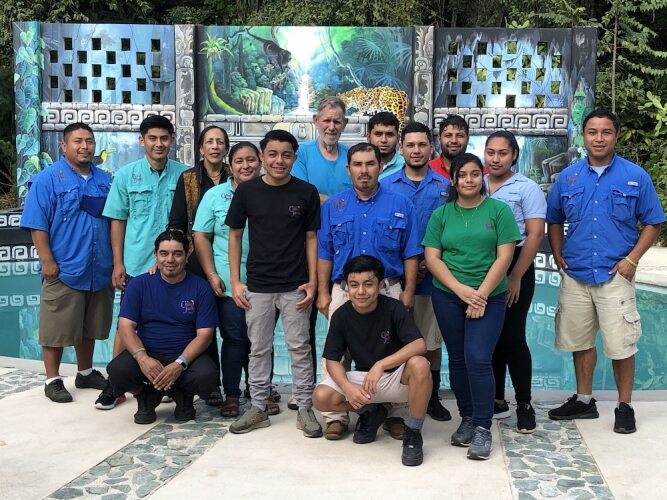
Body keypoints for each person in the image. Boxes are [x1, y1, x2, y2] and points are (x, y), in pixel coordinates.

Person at [546, 109, 665, 434]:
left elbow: (653, 222)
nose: (599, 138)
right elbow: (554, 218)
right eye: (592, 132)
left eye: (606, 132)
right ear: (583, 136)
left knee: (621, 344)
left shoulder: (635, 176)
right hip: (577, 274)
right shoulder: (568, 177)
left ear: (615, 135)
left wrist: (632, 260)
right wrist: (557, 253)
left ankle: (624, 406)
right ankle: (584, 400)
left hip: (616, 274)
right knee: (581, 341)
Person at [317, 142, 421, 440]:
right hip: (344, 290)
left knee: (396, 350)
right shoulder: (333, 206)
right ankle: (338, 415)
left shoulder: (401, 204)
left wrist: (408, 291)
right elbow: (325, 251)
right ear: (348, 169)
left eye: (370, 164)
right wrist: (323, 292)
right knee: (336, 351)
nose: (364, 170)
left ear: (380, 166)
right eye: (358, 164)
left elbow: (410, 252)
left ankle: (396, 413)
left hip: (389, 289)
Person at [423, 153, 520, 460]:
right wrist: (461, 290)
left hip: (489, 296)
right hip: (449, 294)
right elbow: (432, 258)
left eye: (475, 174)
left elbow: (504, 257)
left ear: (483, 177)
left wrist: (480, 295)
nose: (469, 180)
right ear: (453, 180)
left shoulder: (499, 211)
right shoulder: (441, 214)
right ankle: (467, 417)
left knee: (478, 358)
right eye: (462, 174)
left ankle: (482, 426)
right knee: (458, 359)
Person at [226, 130, 322, 437]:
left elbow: (311, 238)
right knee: (258, 349)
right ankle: (257, 407)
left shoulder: (306, 192)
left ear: (294, 158)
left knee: (300, 348)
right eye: (272, 154)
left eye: (286, 155)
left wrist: (313, 281)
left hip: (296, 285)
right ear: (262, 157)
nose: (279, 161)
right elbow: (235, 235)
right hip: (258, 285)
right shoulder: (247, 191)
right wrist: (235, 281)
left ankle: (305, 407)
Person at [96, 115, 188, 409]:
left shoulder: (185, 175)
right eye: (152, 138)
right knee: (127, 323)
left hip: (176, 265)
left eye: (164, 138)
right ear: (142, 140)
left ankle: (173, 384)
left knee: (178, 323)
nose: (159, 144)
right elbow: (118, 221)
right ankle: (114, 386)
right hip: (137, 264)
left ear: (172, 140)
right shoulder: (126, 176)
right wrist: (118, 263)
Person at [21, 122, 114, 402]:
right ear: (64, 146)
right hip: (64, 267)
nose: (85, 146)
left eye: (89, 141)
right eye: (78, 141)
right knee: (56, 326)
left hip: (98, 267)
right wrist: (47, 259)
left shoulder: (104, 180)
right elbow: (37, 222)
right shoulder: (47, 179)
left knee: (90, 324)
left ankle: (85, 373)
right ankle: (53, 379)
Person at [313, 256, 431, 467]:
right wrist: (347, 387)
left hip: (396, 379)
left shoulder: (394, 308)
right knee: (321, 397)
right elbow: (332, 360)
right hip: (365, 382)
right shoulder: (341, 315)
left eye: (368, 284)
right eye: (354, 285)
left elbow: (419, 345)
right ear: (346, 286)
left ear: (380, 284)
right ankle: (370, 412)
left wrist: (381, 364)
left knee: (420, 364)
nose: (361, 291)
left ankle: (413, 433)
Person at [193, 141, 281, 417]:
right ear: (230, 165)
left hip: (267, 281)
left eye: (251, 160)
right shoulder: (215, 196)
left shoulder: (272, 192)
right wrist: (211, 274)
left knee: (262, 340)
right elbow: (201, 235)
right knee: (234, 338)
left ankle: (260, 391)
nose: (246, 166)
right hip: (229, 283)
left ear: (261, 161)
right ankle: (231, 393)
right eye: (239, 161)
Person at [106, 230, 219, 424]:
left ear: (187, 255)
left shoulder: (201, 288)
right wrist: (142, 358)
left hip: (184, 356)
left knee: (208, 376)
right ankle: (144, 395)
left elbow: (205, 335)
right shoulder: (139, 285)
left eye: (177, 253)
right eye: (164, 253)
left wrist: (179, 363)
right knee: (116, 371)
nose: (170, 260)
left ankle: (183, 395)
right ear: (155, 255)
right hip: (149, 352)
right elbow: (125, 327)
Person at [384, 122, 452, 422]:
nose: (416, 150)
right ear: (401, 148)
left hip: (433, 277)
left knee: (429, 340)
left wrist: (427, 263)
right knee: (390, 338)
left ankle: (431, 396)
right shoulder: (385, 185)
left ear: (431, 148)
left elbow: (450, 230)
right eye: (410, 145)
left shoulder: (445, 187)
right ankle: (389, 399)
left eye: (422, 144)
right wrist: (406, 268)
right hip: (393, 279)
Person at [484, 131, 546, 433]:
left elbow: (535, 234)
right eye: (490, 152)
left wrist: (516, 275)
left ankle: (524, 403)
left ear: (514, 156)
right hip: (484, 264)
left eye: (503, 153)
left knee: (513, 337)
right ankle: (497, 399)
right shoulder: (477, 182)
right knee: (491, 336)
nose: (495, 159)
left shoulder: (526, 188)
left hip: (516, 264)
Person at [168, 125, 230, 407]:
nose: (215, 146)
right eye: (209, 142)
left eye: (220, 142)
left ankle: (248, 385)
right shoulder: (189, 178)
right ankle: (210, 384)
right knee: (202, 326)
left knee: (234, 327)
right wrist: (174, 258)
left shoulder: (237, 175)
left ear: (226, 148)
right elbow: (177, 222)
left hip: (231, 260)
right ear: (201, 148)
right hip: (196, 263)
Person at [292, 96, 351, 203]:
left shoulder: (352, 155)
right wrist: (340, 204)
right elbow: (302, 193)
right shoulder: (300, 153)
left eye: (337, 122)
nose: (331, 127)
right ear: (316, 120)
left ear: (345, 123)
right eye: (327, 121)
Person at [428, 115, 469, 179]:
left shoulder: (480, 172)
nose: (454, 141)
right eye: (448, 136)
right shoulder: (427, 169)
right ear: (439, 138)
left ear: (468, 139)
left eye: (460, 136)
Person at [366, 111, 405, 179]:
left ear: (398, 138)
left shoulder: (406, 166)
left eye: (389, 135)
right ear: (368, 137)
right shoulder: (358, 165)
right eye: (378, 134)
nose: (383, 140)